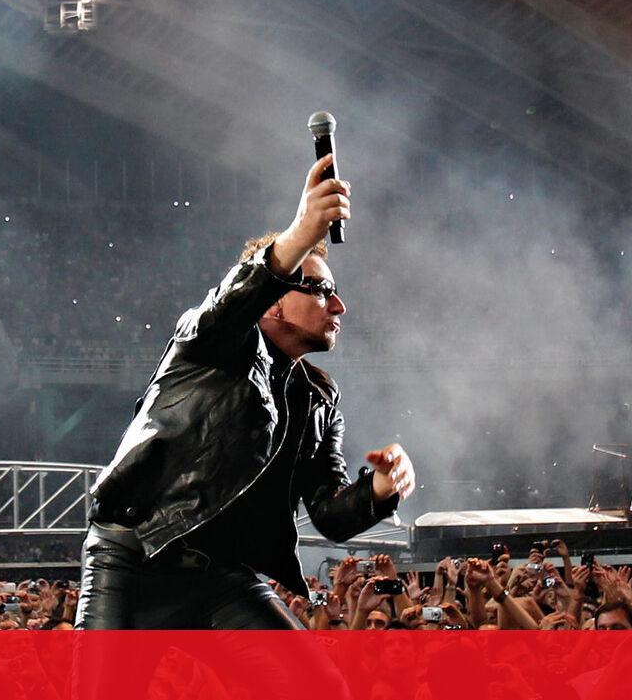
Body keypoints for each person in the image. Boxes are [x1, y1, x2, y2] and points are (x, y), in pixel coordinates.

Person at [75, 154, 416, 630]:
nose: (338, 304)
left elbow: (329, 514)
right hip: (135, 559)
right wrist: (300, 233)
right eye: (321, 289)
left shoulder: (318, 396)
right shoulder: (213, 342)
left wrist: (381, 488)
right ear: (273, 301)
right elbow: (232, 301)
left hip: (220, 578)